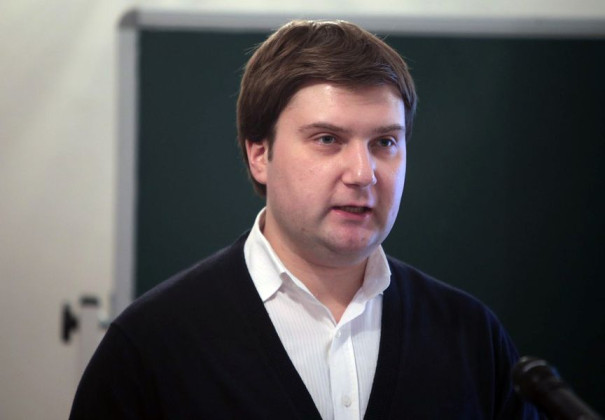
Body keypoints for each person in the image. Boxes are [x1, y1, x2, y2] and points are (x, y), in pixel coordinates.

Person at [70, 20, 542, 419]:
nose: (362, 173)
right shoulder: (151, 346)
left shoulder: (472, 338)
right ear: (260, 154)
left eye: (384, 143)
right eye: (327, 139)